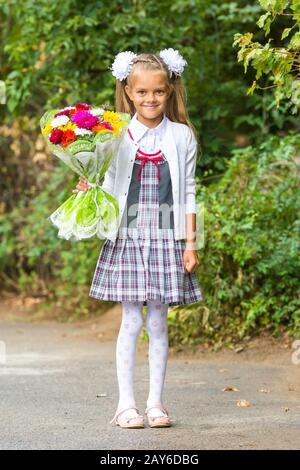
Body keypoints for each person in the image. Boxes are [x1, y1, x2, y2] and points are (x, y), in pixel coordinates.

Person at [73, 49, 204, 429]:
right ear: (128, 91)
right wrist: (88, 186)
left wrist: (190, 243)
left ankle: (156, 403)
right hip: (127, 236)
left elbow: (190, 193)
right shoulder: (114, 134)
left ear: (170, 91)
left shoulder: (182, 136)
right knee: (131, 321)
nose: (151, 99)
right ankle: (125, 404)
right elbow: (106, 185)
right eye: (142, 92)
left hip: (167, 238)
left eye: (158, 92)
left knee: (159, 323)